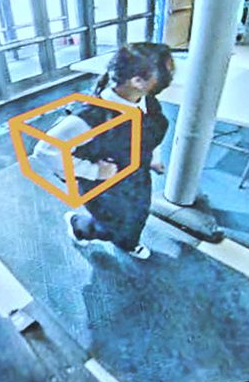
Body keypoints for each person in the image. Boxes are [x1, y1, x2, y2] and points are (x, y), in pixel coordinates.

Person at [64, 40, 176, 261]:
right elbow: (46, 150)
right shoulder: (90, 117)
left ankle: (129, 243)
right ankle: (79, 225)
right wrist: (94, 171)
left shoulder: (147, 102)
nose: (170, 77)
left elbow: (152, 132)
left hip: (136, 177)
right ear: (137, 80)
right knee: (110, 224)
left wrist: (153, 157)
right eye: (167, 71)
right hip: (104, 186)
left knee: (138, 214)